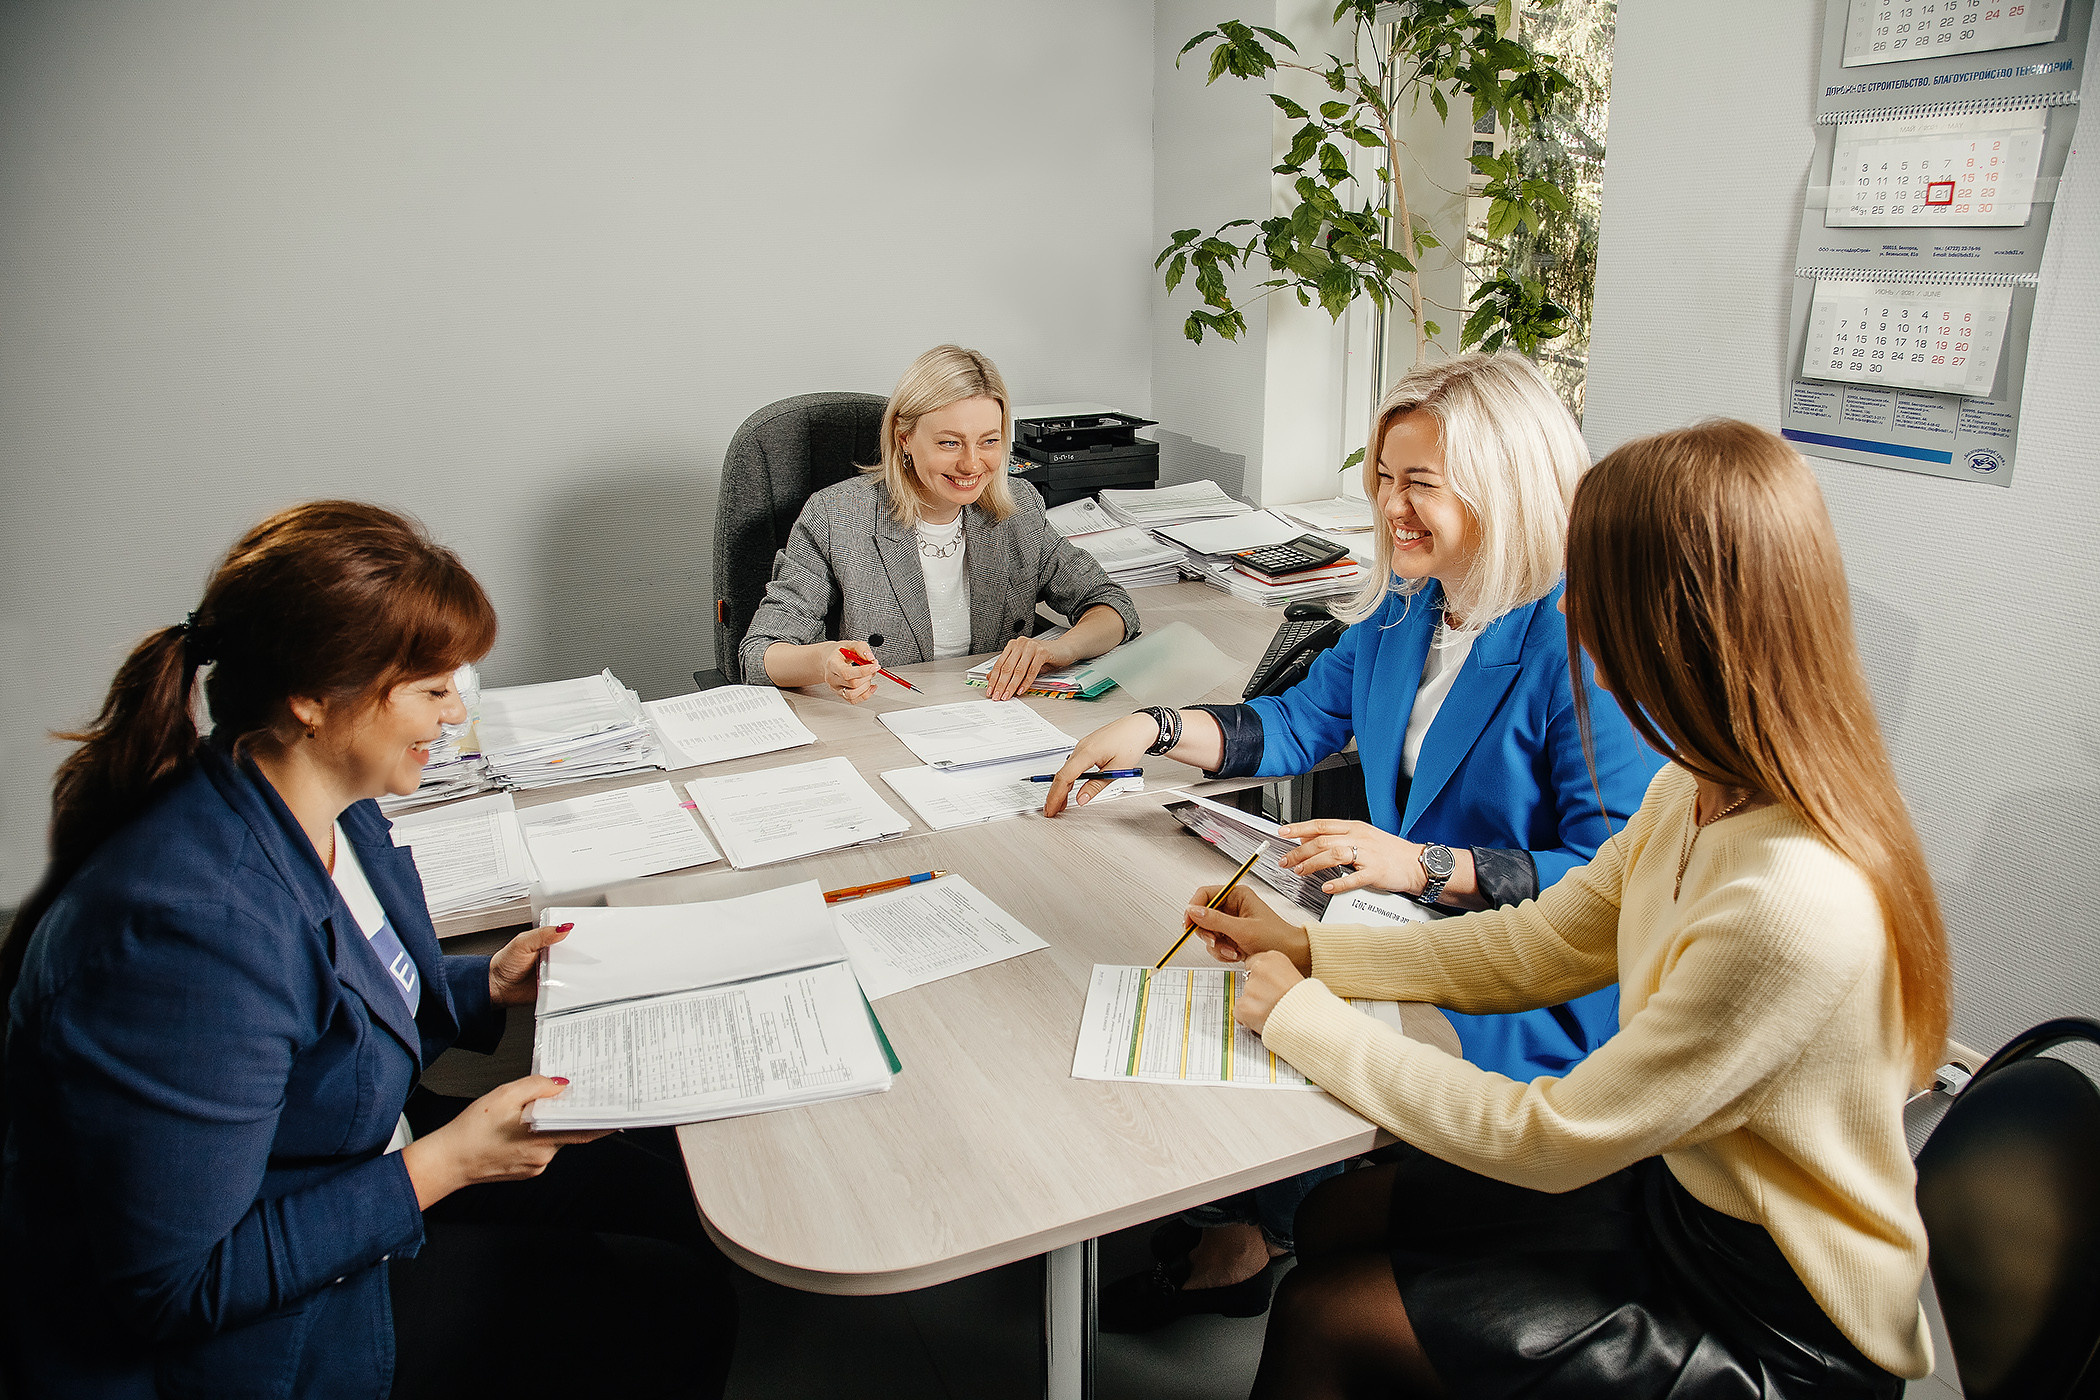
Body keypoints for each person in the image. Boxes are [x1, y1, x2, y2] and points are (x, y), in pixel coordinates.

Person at [1187, 420, 1950, 1399]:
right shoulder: (1697, 786)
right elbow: (1551, 938)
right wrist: (1313, 950)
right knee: (1335, 1225)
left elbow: (1548, 1138)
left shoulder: (1791, 904)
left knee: (1324, 1314)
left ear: (1671, 616)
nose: (1570, 611)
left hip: (1774, 1314)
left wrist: (1300, 1017)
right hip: (1679, 1192)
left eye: (1588, 583)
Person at [0, 502, 736, 1400]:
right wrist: (447, 1163)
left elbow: (340, 1001)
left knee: (671, 1186)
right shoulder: (191, 937)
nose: (456, 711)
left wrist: (484, 986)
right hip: (251, 1325)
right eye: (431, 691)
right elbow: (176, 1287)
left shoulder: (334, 804)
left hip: (356, 1153)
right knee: (671, 1309)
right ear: (315, 699)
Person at [1043, 352, 1661, 1328]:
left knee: (1277, 1013)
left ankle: (1267, 1229)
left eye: (1421, 484)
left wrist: (1425, 865)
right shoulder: (1410, 607)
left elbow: (1620, 878)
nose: (1389, 506)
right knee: (1217, 971)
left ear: (1504, 489)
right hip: (1397, 923)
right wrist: (1151, 728)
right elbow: (1293, 722)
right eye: (1382, 476)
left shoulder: (1579, 643)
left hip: (1531, 984)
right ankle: (1265, 1220)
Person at [740, 344, 1140, 702]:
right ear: (904, 438)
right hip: (886, 718)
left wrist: (1061, 649)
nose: (971, 464)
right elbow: (759, 653)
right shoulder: (838, 517)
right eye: (950, 443)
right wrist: (822, 659)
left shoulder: (1019, 509)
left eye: (988, 440)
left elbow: (1114, 606)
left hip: (997, 716)